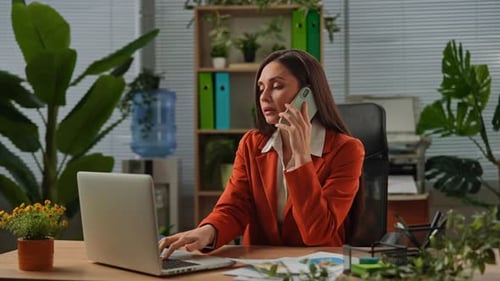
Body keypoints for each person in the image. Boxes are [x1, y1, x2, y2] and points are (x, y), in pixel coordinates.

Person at [159, 49, 365, 259]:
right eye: (261, 88)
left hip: (317, 266)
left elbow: (319, 234)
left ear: (308, 94)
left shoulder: (346, 150)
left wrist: (301, 158)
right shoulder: (252, 144)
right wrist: (207, 232)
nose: (264, 97)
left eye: (277, 86)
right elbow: (234, 206)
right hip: (258, 266)